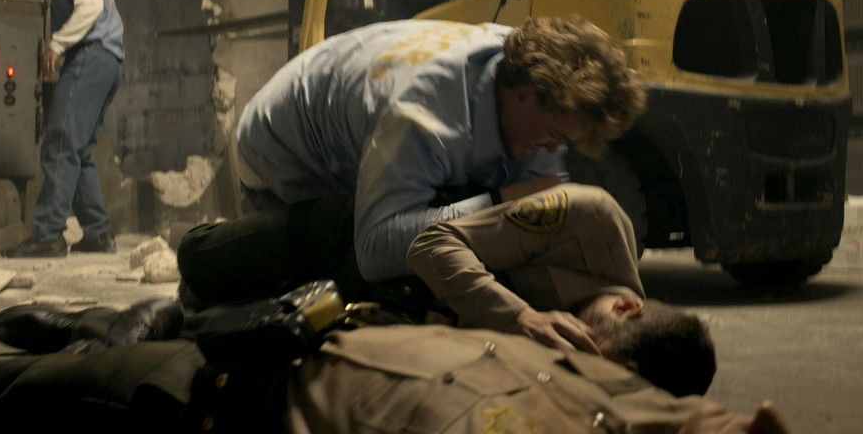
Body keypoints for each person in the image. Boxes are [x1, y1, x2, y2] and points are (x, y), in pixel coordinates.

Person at [178, 17, 647, 303]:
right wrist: (500, 200)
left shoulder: (528, 76)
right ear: (524, 95)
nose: (554, 151)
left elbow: (530, 220)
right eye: (555, 137)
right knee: (365, 277)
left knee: (456, 227)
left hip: (363, 117)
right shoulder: (424, 115)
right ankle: (212, 270)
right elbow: (376, 250)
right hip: (283, 154)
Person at [0, 314, 788, 434]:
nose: (603, 313)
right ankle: (80, 337)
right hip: (248, 351)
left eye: (618, 314)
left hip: (211, 410)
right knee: (102, 359)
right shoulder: (559, 354)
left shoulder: (629, 407)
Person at [408, 182, 715, 397]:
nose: (579, 361)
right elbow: (430, 245)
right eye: (590, 348)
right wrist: (517, 316)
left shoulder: (621, 373)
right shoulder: (586, 218)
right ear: (626, 307)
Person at [5, 0, 125, 258]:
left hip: (90, 57)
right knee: (78, 151)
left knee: (59, 143)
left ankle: (47, 236)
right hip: (107, 63)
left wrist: (56, 44)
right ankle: (98, 234)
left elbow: (91, 6)